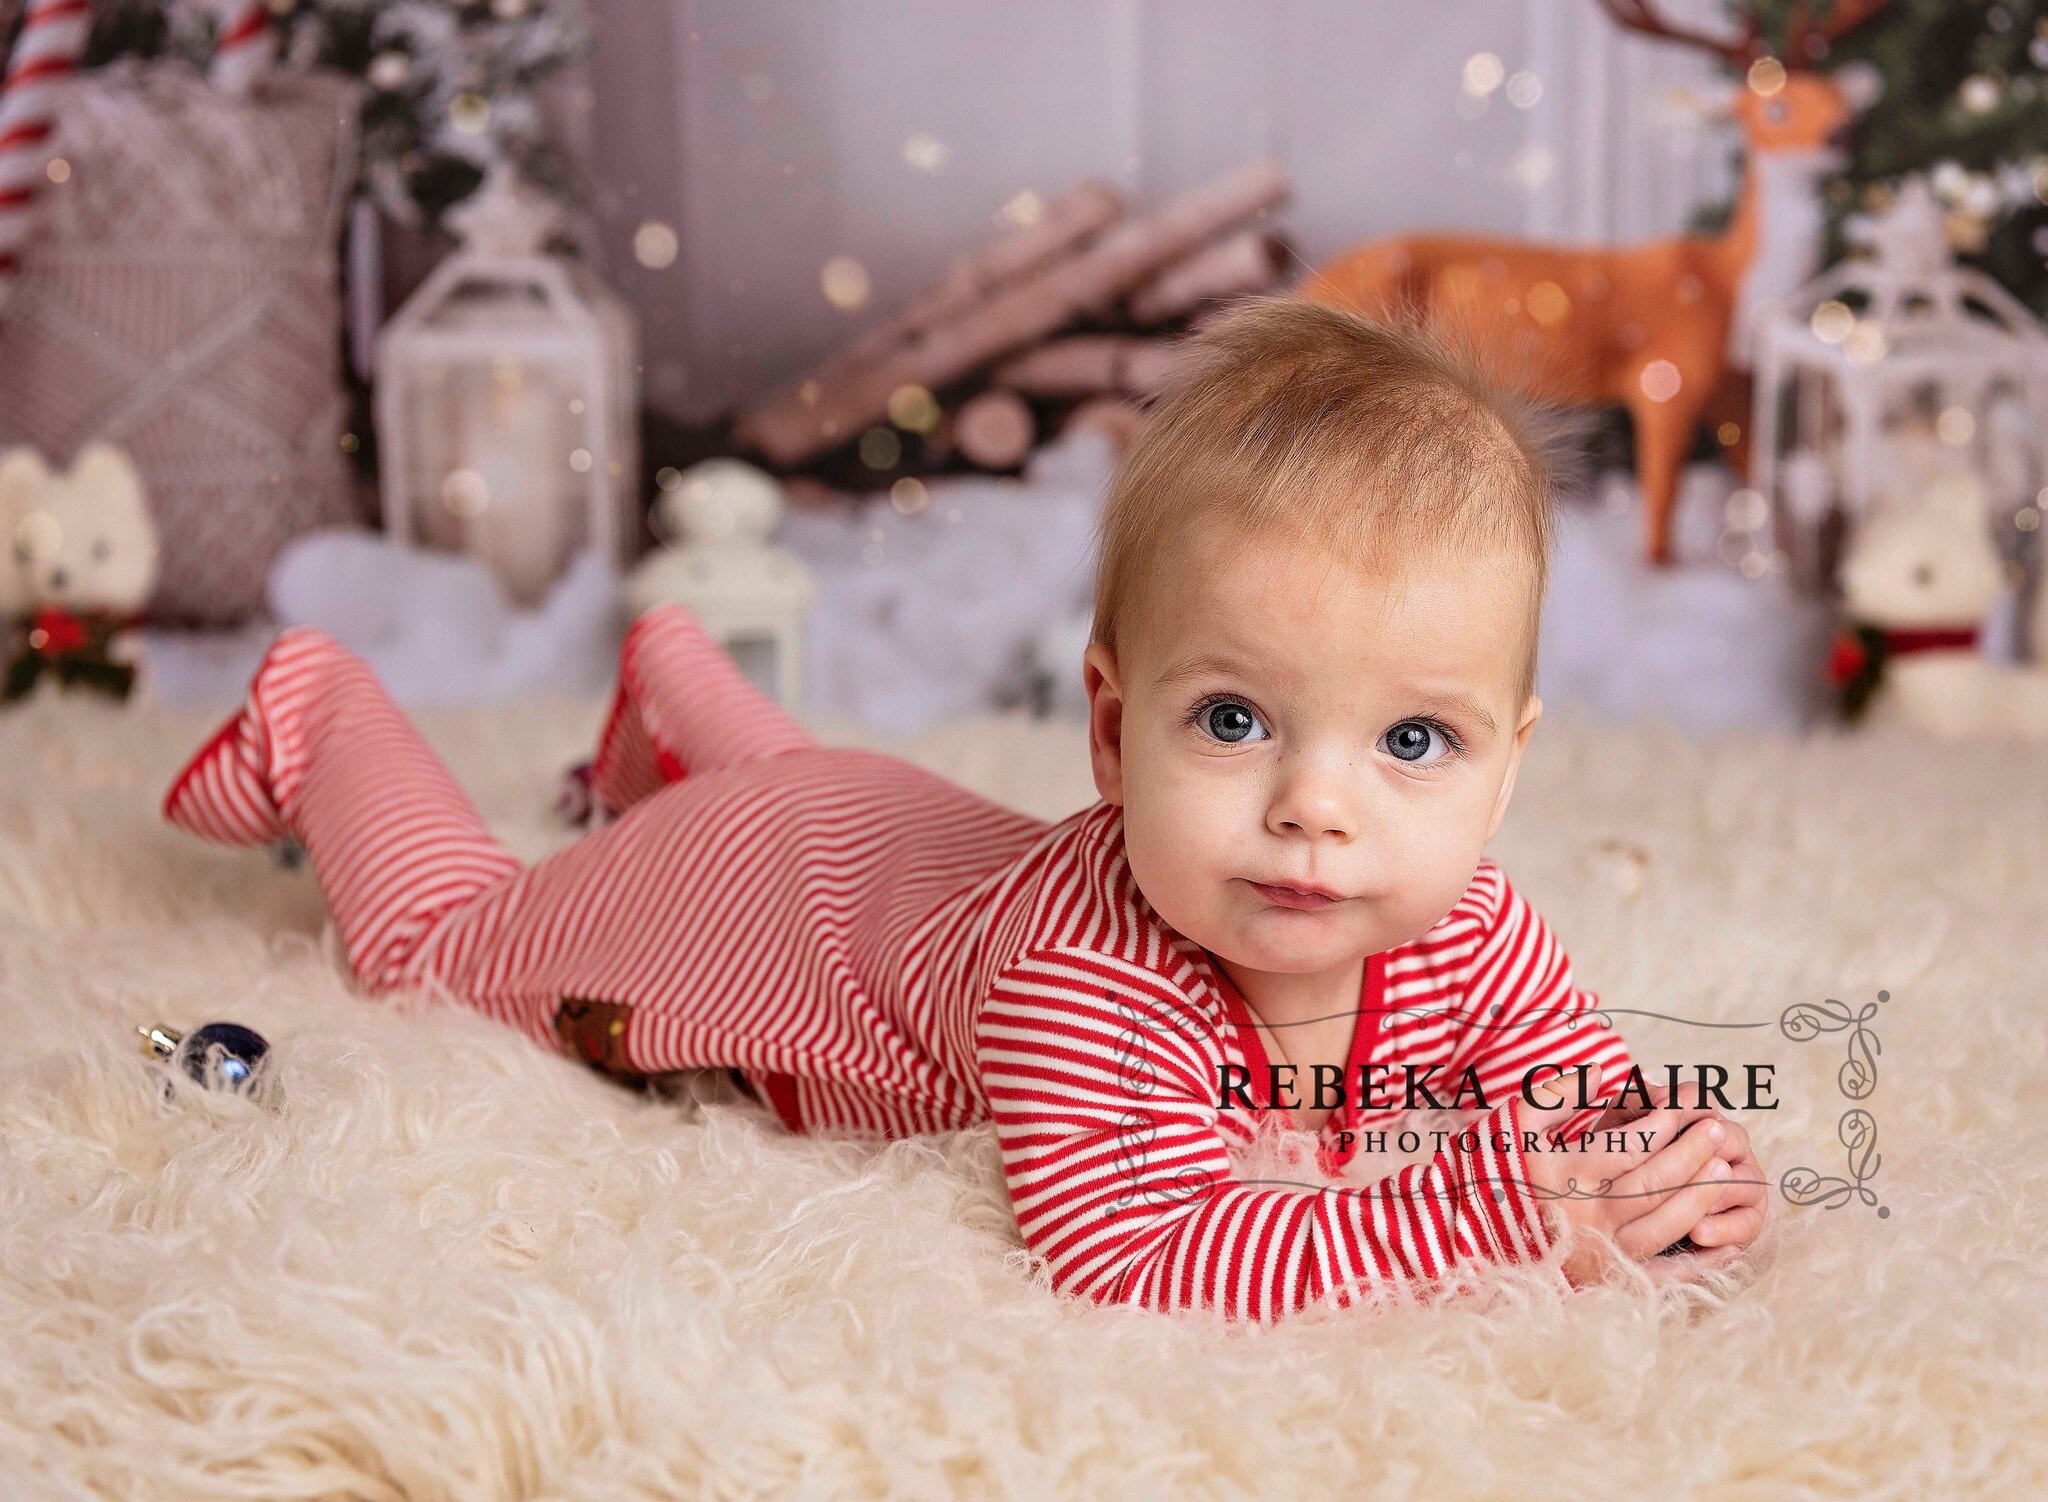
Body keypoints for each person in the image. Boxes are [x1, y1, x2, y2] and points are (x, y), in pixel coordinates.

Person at [163, 297, 1767, 1322]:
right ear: (1110, 724)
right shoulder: (1090, 979)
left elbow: (1587, 1115)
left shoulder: (1472, 930)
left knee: (803, 783)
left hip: (869, 825)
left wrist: (1677, 1182)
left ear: (1510, 760)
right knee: (447, 943)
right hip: (761, 901)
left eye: (1414, 740)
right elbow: (1138, 1251)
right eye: (1232, 720)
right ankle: (322, 710)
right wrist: (1472, 1212)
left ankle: (673, 674)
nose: (1314, 812)